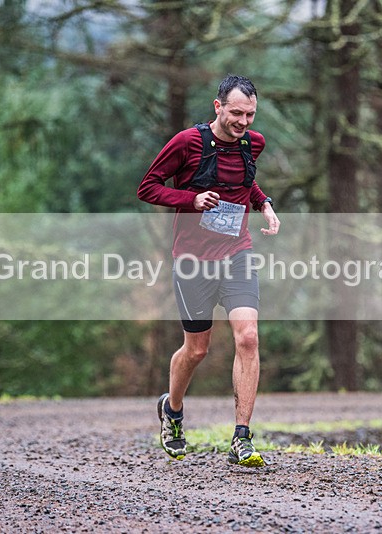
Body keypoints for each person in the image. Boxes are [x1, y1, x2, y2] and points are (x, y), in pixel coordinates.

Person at [137, 74, 280, 467]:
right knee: (197, 349)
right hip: (192, 261)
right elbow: (147, 187)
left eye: (250, 114)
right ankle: (173, 409)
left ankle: (242, 438)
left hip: (238, 253)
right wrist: (191, 199)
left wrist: (264, 203)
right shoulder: (188, 143)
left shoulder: (254, 143)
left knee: (248, 337)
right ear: (218, 107)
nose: (243, 122)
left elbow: (243, 184)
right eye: (236, 113)